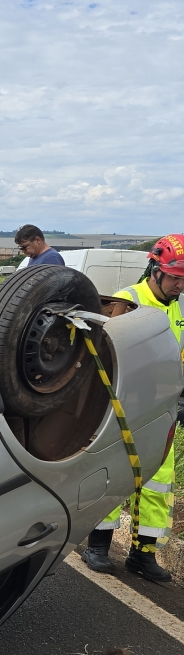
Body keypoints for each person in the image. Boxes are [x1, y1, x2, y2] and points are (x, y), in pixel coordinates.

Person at [81, 234, 184, 581]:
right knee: (115, 474)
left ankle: (143, 555)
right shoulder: (128, 301)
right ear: (155, 270)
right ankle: (98, 546)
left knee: (159, 481)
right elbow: (107, 356)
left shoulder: (181, 306)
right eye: (175, 277)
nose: (180, 285)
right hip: (124, 407)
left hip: (162, 409)